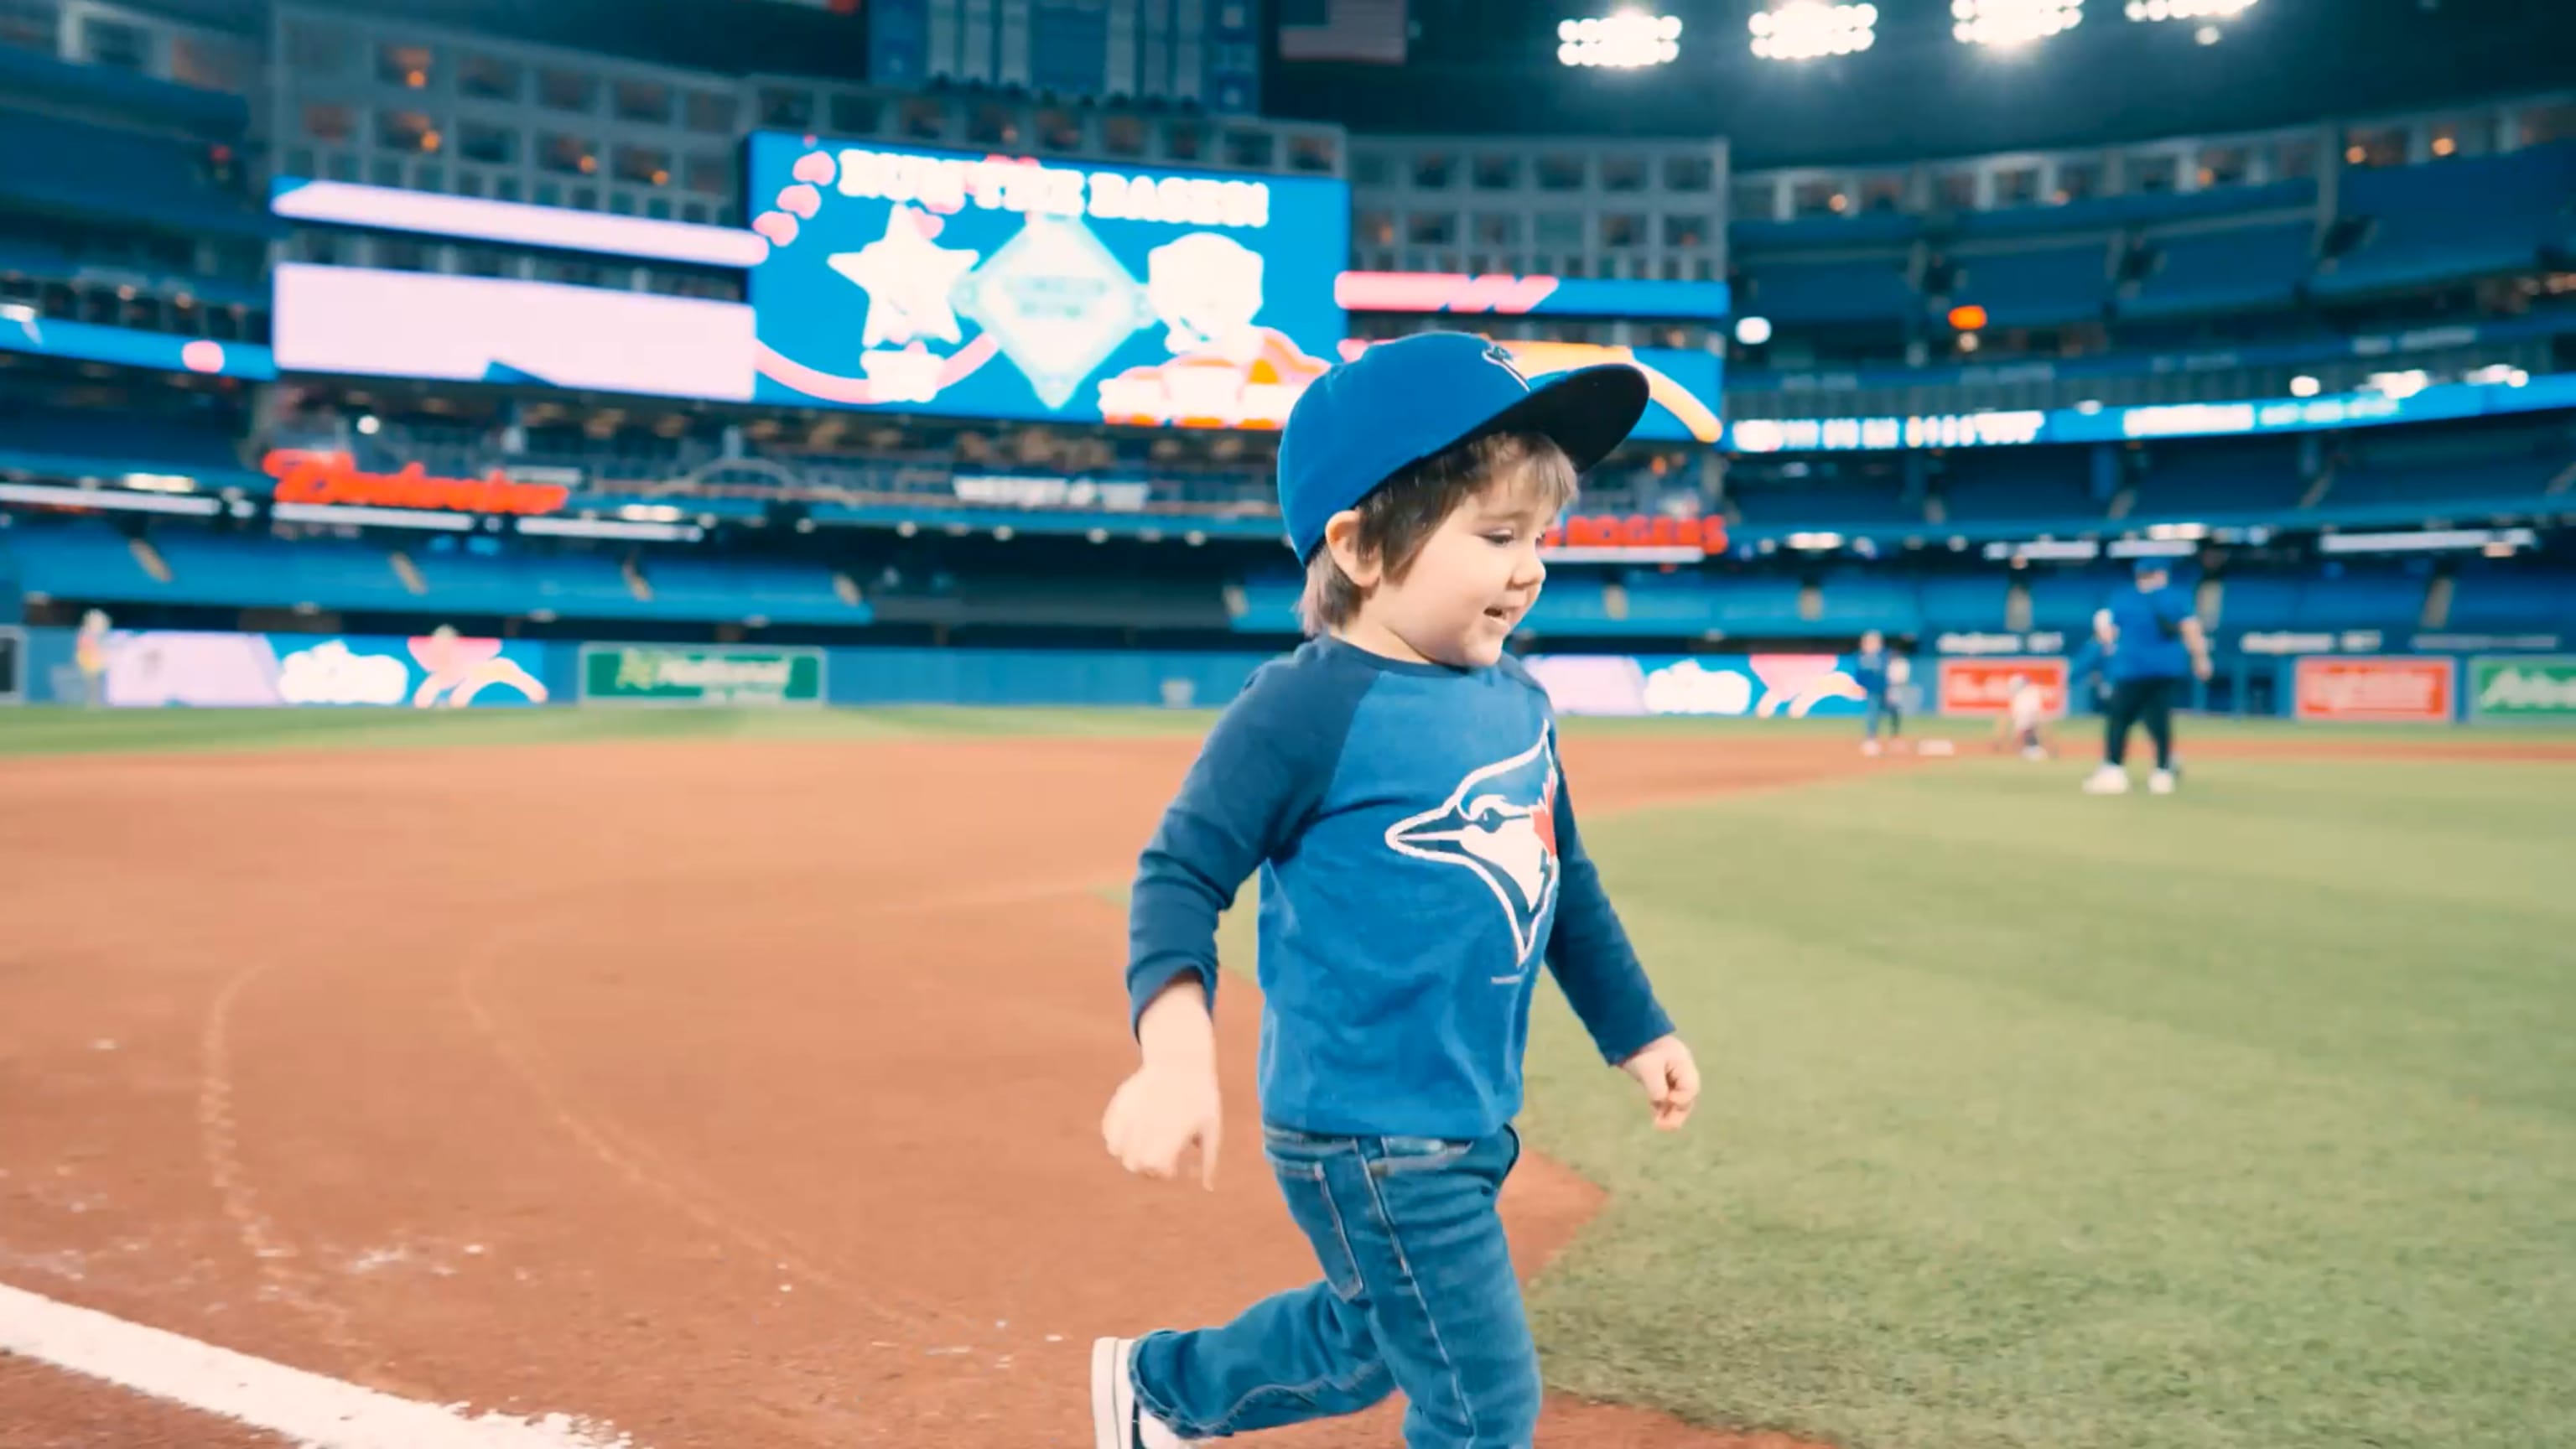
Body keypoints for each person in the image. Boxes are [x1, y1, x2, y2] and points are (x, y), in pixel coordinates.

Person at [1095, 331, 1701, 1449]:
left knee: (1372, 1340)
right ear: (1366, 545)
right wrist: (1175, 1060)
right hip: (1368, 1129)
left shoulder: (1519, 700)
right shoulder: (1304, 710)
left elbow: (1563, 882)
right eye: (1499, 535)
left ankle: (1161, 1391)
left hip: (1466, 1112)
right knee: (1482, 1405)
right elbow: (1180, 875)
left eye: (1543, 538)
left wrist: (1638, 1027)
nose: (1533, 568)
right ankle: (1166, 1393)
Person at [2085, 561, 2213, 796]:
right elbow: (2191, 629)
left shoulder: (2123, 598)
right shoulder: (2176, 597)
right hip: (2167, 669)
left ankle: (2114, 770)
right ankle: (2162, 773)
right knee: (2160, 718)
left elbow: (2108, 634)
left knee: (2119, 719)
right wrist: (2201, 659)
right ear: (2161, 574)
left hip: (2131, 668)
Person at [1853, 630, 1899, 756]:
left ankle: (1895, 738)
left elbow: (1890, 671)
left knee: (1893, 711)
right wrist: (1861, 686)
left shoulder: (1884, 655)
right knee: (1873, 713)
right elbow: (1859, 675)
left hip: (1885, 689)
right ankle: (1871, 740)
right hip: (1872, 690)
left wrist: (1891, 688)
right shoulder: (1862, 656)